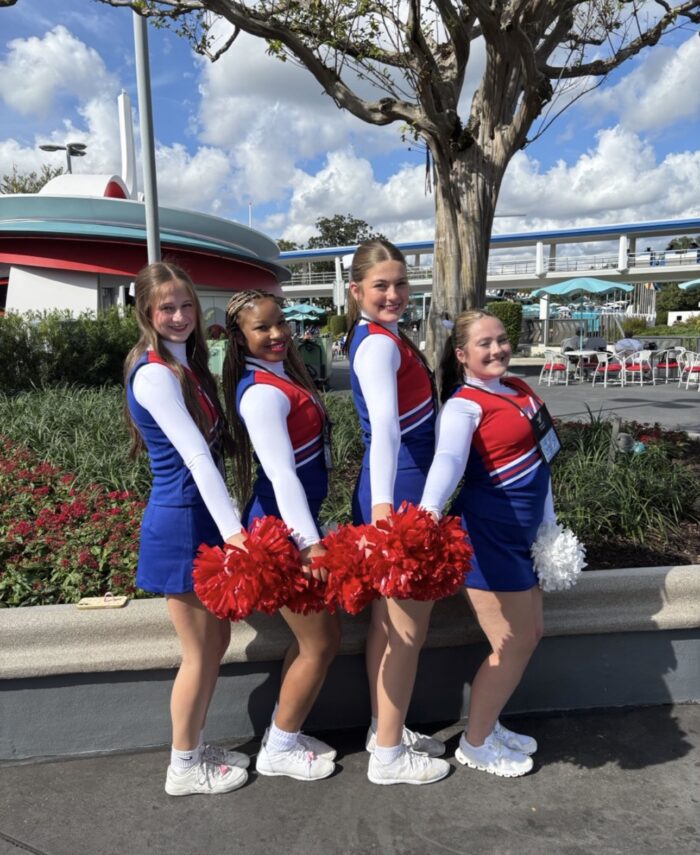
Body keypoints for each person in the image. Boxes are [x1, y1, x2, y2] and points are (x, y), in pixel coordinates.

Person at [124, 262, 250, 797]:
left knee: (216, 640)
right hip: (180, 522)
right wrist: (237, 534)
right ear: (148, 314)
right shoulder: (154, 372)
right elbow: (197, 457)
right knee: (199, 651)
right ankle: (182, 765)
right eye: (167, 309)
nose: (178, 316)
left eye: (186, 306)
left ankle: (194, 744)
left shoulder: (186, 365)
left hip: (200, 518)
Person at [420, 309, 557, 778]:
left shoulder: (518, 389)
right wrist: (426, 517)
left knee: (530, 636)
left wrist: (549, 526)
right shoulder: (463, 405)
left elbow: (543, 460)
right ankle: (475, 743)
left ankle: (489, 724)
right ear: (462, 355)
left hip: (523, 534)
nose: (498, 349)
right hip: (488, 536)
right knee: (512, 643)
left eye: (501, 339)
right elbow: (448, 463)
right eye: (485, 344)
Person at [223, 290, 341, 782]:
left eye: (280, 324)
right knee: (320, 643)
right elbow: (282, 474)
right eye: (262, 329)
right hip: (280, 537)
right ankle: (279, 747)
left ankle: (283, 735)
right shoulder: (262, 393)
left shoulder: (280, 376)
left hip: (290, 529)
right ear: (239, 338)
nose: (276, 335)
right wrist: (309, 543)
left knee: (321, 639)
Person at [346, 239, 450, 786]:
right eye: (380, 285)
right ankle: (387, 755)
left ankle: (383, 728)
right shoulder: (378, 345)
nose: (393, 294)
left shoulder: (381, 336)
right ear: (356, 290)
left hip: (394, 486)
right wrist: (388, 512)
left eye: (401, 283)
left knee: (388, 625)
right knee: (407, 631)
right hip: (398, 492)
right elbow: (385, 427)